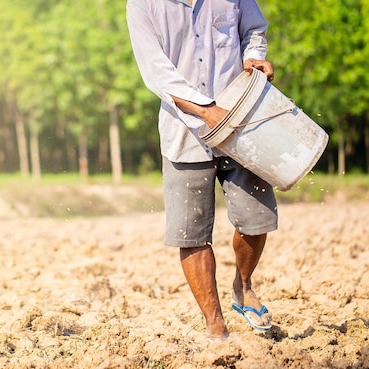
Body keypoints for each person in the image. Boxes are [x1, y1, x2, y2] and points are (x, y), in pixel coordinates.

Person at [126, 0, 278, 339]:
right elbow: (157, 73)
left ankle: (243, 285)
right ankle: (215, 324)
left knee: (255, 220)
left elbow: (253, 30)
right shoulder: (142, 5)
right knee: (191, 233)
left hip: (241, 122)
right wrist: (206, 110)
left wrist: (253, 56)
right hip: (185, 132)